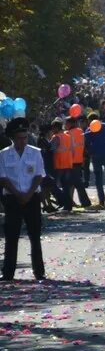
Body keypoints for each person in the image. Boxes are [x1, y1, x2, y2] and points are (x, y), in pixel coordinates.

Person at [1, 119, 47, 281]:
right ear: (13, 138)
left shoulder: (35, 152)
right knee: (11, 237)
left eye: (25, 137)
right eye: (20, 138)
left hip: (31, 197)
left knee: (35, 236)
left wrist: (28, 194)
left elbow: (39, 175)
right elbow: (3, 178)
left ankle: (39, 271)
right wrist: (18, 194)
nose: (23, 141)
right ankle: (8, 273)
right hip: (13, 199)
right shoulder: (4, 154)